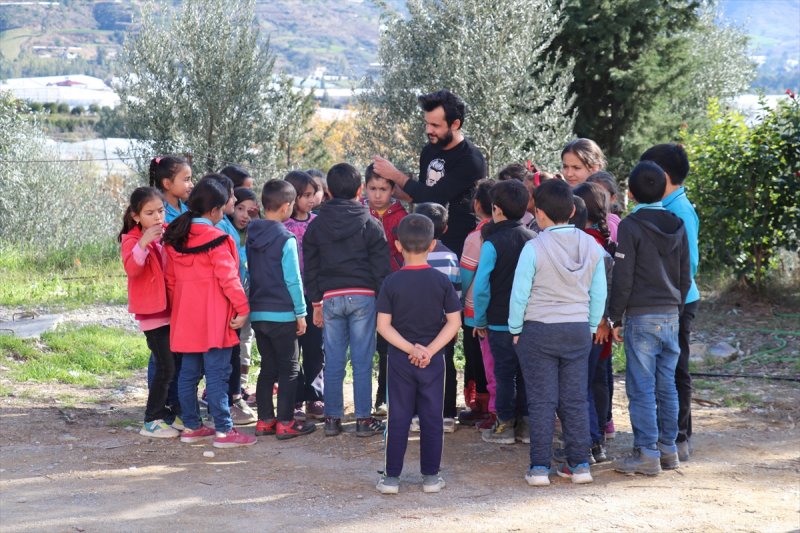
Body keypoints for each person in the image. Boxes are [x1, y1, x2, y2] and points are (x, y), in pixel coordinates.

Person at [509, 178, 607, 486]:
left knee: (542, 401)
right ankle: (579, 466)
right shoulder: (592, 245)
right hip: (578, 330)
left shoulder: (534, 247)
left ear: (538, 213)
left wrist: (515, 328)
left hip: (538, 331)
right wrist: (591, 326)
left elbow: (520, 293)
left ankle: (539, 468)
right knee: (575, 399)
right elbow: (599, 292)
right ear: (572, 210)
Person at [603, 161, 690, 475]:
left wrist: (614, 317)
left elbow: (623, 277)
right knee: (666, 385)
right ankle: (669, 449)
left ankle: (646, 453)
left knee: (641, 387)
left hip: (641, 317)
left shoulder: (630, 225)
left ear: (630, 193)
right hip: (671, 314)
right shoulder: (678, 223)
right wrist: (676, 308)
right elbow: (685, 275)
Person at [162, 179, 255, 448]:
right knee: (217, 375)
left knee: (188, 373)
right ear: (215, 211)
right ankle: (224, 431)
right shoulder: (218, 239)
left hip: (185, 316)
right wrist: (243, 307)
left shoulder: (175, 237)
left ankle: (191, 426)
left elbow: (170, 281)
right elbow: (230, 279)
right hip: (215, 317)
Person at [375, 214, 462, 495]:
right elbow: (454, 321)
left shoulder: (391, 282)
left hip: (400, 359)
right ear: (433, 245)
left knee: (398, 416)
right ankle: (431, 477)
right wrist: (430, 351)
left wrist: (410, 349)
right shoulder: (441, 282)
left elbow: (383, 326)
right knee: (432, 416)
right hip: (433, 360)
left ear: (398, 245)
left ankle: (391, 478)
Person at [303, 163, 389, 437]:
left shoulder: (316, 226)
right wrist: (385, 305)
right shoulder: (370, 222)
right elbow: (381, 269)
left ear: (327, 191)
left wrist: (316, 302)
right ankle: (363, 420)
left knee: (334, 360)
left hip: (330, 298)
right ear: (361, 190)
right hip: (364, 296)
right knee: (362, 360)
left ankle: (331, 419)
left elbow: (311, 267)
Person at [372, 89, 487, 257]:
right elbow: (421, 193)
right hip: (425, 244)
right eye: (427, 123)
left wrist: (396, 175)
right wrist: (393, 191)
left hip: (458, 249)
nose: (428, 130)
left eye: (435, 125)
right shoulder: (429, 150)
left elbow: (434, 196)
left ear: (455, 124)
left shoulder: (471, 160)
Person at [640, 143, 700, 462]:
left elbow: (689, 264)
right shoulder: (665, 205)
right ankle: (668, 432)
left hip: (677, 301)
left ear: (661, 175)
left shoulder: (679, 210)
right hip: (668, 299)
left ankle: (680, 435)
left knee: (676, 370)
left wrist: (671, 297)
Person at [248, 179, 317, 440]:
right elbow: (293, 279)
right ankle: (286, 422)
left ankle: (265, 420)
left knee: (268, 367)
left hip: (258, 312)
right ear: (287, 206)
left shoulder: (252, 234)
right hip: (283, 313)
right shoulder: (285, 238)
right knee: (288, 368)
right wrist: (301, 312)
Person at [473, 180, 536, 445]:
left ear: (496, 210)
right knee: (525, 373)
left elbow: (481, 287)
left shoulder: (491, 243)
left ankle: (505, 425)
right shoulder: (534, 240)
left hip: (498, 323)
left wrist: (480, 319)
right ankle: (526, 426)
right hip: (529, 322)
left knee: (504, 374)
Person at [119, 187, 179, 439]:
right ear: (136, 216)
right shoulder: (131, 241)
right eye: (149, 212)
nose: (157, 217)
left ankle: (167, 414)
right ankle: (151, 419)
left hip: (170, 310)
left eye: (161, 211)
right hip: (151, 314)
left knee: (173, 365)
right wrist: (144, 243)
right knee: (165, 367)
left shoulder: (165, 236)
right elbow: (133, 269)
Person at [203, 174, 257, 425]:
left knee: (233, 349)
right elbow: (228, 269)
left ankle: (228, 399)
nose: (236, 202)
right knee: (224, 354)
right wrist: (239, 303)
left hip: (232, 296)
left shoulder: (223, 224)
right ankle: (223, 406)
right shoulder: (219, 228)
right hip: (228, 298)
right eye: (234, 198)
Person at [146, 155, 193, 423]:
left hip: (183, 288)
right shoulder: (157, 211)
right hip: (164, 290)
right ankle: (158, 406)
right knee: (162, 352)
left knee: (178, 349)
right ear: (167, 183)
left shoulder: (187, 207)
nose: (190, 184)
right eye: (185, 179)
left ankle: (175, 402)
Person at [573, 182, 617, 464]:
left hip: (586, 326)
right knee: (599, 382)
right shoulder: (605, 242)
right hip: (602, 329)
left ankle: (589, 442)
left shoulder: (583, 243)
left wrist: (600, 319)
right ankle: (599, 438)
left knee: (582, 386)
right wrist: (607, 320)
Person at [363, 163, 409, 417]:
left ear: (393, 189)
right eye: (373, 188)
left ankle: (384, 397)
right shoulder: (360, 214)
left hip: (393, 289)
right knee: (363, 346)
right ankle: (362, 402)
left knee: (387, 346)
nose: (378, 194)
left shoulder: (401, 217)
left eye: (383, 188)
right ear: (365, 188)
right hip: (363, 287)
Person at [412, 202, 462, 432]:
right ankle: (447, 415)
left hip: (413, 323)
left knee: (415, 364)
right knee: (445, 365)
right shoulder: (451, 257)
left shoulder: (410, 257)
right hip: (443, 324)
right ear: (445, 228)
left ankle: (416, 414)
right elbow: (456, 293)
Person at [283, 171, 326, 421]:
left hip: (315, 297)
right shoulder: (282, 224)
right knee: (292, 351)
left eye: (313, 194)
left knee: (315, 348)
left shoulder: (318, 222)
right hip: (288, 298)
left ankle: (314, 397)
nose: (311, 200)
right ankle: (295, 399)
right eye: (305, 195)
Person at [458, 179, 495, 428]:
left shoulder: (475, 237)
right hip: (502, 310)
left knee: (476, 358)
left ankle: (481, 405)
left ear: (477, 204)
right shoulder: (511, 232)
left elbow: (466, 275)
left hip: (474, 310)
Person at [231, 187, 259, 398]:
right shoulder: (225, 231)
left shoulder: (255, 233)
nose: (244, 215)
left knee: (246, 338)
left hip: (249, 295)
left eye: (250, 211)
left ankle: (241, 384)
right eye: (240, 208)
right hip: (229, 295)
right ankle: (226, 387)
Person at [149, 155, 193, 223]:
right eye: (186, 179)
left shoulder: (188, 210)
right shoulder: (158, 216)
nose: (192, 185)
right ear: (167, 184)